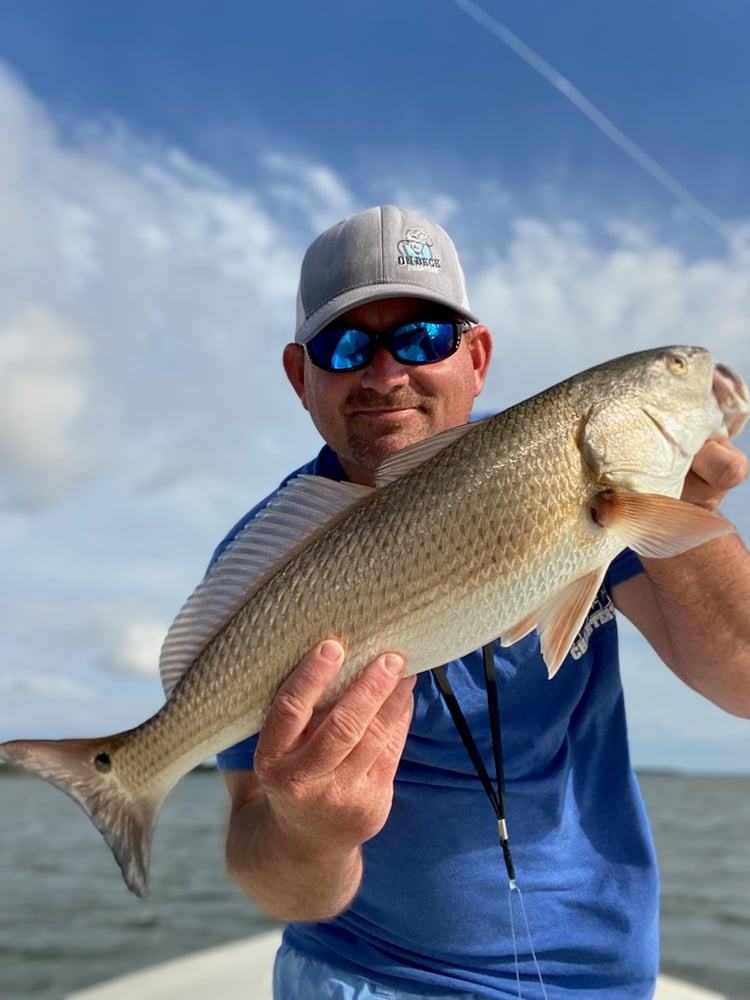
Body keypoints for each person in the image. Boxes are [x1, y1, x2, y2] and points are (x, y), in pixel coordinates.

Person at [214, 205, 750, 999]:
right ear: (302, 376)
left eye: (424, 338)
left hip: (606, 982)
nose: (387, 373)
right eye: (346, 345)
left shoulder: (570, 460)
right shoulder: (260, 569)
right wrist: (310, 834)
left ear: (478, 357)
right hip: (370, 976)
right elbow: (272, 877)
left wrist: (688, 510)